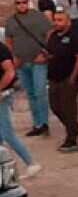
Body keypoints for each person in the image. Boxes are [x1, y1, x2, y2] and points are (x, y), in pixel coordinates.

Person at [4, 0, 53, 137]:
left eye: (24, 2)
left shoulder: (39, 17)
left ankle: (44, 124)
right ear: (15, 4)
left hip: (38, 61)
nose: (21, 5)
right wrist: (13, 58)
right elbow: (8, 41)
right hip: (21, 63)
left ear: (28, 1)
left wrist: (44, 53)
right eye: (18, 3)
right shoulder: (11, 21)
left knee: (40, 92)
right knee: (31, 94)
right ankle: (37, 123)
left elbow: (50, 35)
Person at [0, 31, 40, 177]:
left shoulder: (1, 49)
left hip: (3, 95)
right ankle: (8, 172)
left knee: (7, 134)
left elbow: (10, 72)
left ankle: (31, 163)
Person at [46, 8, 78, 151]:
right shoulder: (52, 35)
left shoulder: (75, 36)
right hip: (53, 78)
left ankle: (71, 139)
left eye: (60, 20)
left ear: (68, 21)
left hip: (68, 77)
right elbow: (50, 53)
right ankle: (75, 127)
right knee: (55, 106)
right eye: (55, 20)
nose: (56, 23)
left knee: (68, 107)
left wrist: (74, 76)